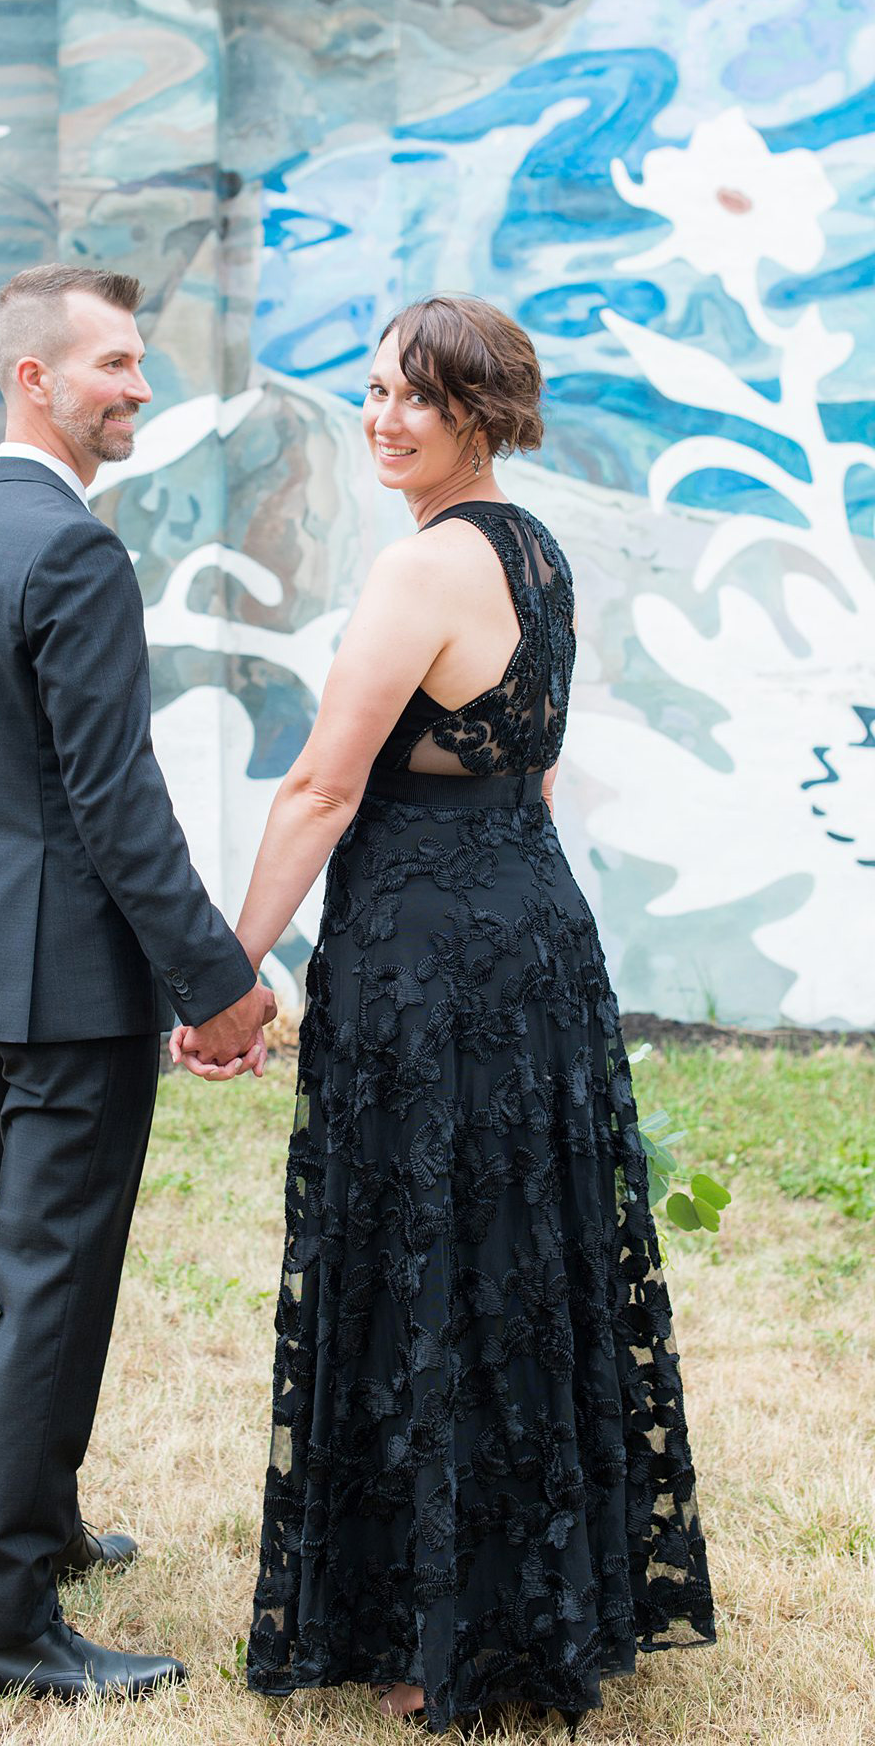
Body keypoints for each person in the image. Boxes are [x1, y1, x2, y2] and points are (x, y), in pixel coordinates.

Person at [172, 295, 716, 1734]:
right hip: (532, 939)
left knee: (431, 1267)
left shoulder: (423, 571)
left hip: (434, 963)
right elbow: (527, 780)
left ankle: (451, 1636)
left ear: (482, 411)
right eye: (370, 391)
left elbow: (320, 788)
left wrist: (229, 975)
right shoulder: (538, 557)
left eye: (416, 396)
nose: (382, 417)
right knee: (515, 1262)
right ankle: (531, 1607)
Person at [0, 263, 275, 1702]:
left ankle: (47, 1525)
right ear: (34, 378)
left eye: (136, 364)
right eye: (112, 363)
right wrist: (220, 981)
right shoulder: (72, 554)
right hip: (71, 990)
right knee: (51, 1293)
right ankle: (2, 1630)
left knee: (52, 1271)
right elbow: (113, 801)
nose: (136, 385)